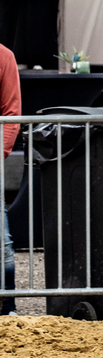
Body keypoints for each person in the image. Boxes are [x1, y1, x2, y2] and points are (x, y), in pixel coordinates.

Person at [0, 43, 19, 315]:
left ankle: (7, 306)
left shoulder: (4, 57)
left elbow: (12, 115)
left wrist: (0, 152)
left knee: (2, 242)